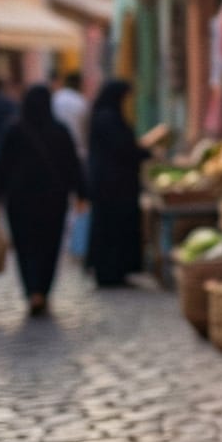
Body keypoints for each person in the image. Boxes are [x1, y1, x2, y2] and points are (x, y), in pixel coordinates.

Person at [0, 85, 87, 316]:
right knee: (49, 246)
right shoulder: (60, 130)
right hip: (53, 199)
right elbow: (73, 165)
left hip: (19, 200)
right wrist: (82, 193)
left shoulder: (14, 130)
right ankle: (42, 290)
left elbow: (1, 167)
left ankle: (32, 290)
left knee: (25, 246)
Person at [84, 79, 147, 287]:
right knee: (111, 229)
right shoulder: (108, 118)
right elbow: (122, 149)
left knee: (111, 228)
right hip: (112, 185)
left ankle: (115, 270)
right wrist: (144, 152)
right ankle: (110, 271)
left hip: (111, 183)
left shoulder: (104, 116)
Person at [52, 72, 89, 159]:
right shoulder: (81, 101)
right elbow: (86, 128)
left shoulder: (56, 97)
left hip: (57, 147)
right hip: (78, 149)